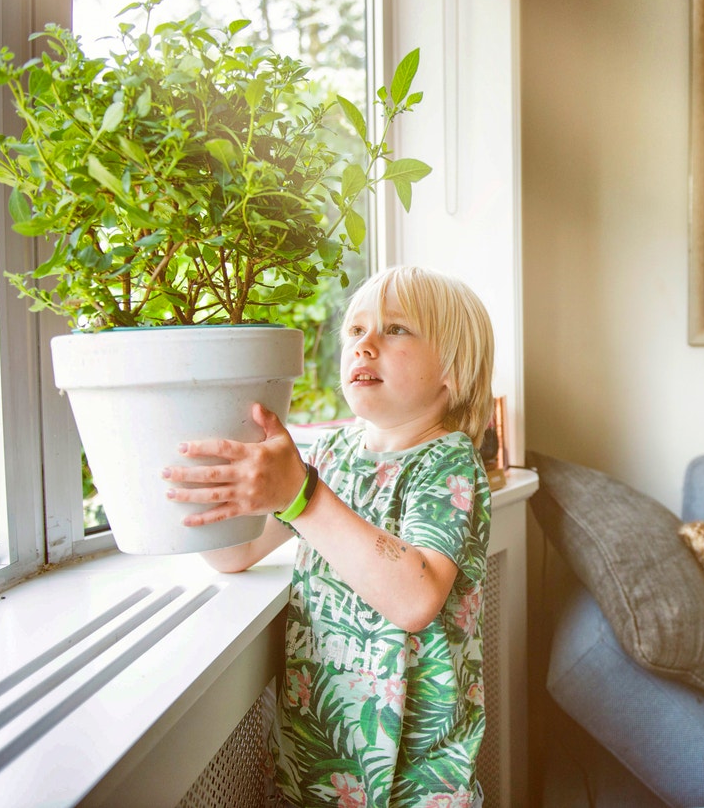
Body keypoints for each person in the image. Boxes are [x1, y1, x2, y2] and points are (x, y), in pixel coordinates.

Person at [161, 265, 496, 808]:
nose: (364, 344)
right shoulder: (330, 456)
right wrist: (213, 486)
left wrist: (301, 494)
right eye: (355, 331)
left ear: (452, 371)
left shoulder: (447, 461)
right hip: (315, 764)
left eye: (396, 329)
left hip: (419, 780)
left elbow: (415, 598)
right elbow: (240, 551)